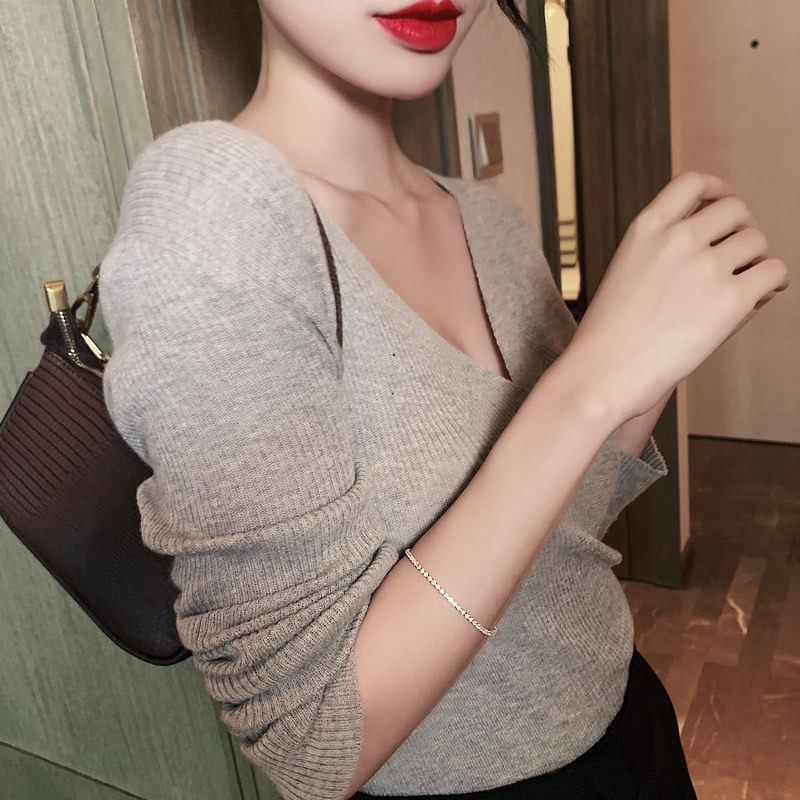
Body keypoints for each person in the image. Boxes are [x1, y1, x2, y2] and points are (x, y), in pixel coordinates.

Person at [98, 1, 789, 798]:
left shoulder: (488, 219)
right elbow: (315, 742)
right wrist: (588, 384)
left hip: (628, 719)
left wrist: (650, 354)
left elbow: (559, 534)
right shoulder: (214, 209)